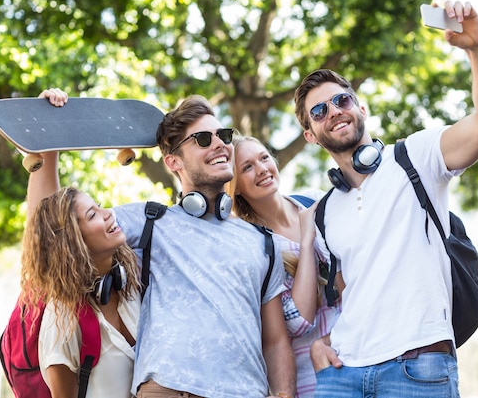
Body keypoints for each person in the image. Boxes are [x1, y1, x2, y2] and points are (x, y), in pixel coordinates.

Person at [293, 1, 478, 397]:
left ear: (360, 107)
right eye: (319, 111)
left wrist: (477, 50)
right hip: (342, 373)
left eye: (342, 100)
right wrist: (322, 343)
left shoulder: (416, 156)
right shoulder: (324, 211)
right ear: (311, 134)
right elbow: (343, 293)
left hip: (419, 368)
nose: (334, 112)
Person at [27, 92, 297, 398]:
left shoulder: (263, 243)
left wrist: (285, 395)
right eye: (203, 139)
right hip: (167, 391)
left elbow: (275, 341)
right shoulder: (151, 220)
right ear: (173, 161)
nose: (220, 143)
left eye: (222, 135)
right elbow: (54, 231)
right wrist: (45, 141)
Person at [18, 87, 142, 398]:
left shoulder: (129, 286)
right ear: (73, 241)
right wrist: (46, 140)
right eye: (93, 214)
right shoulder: (63, 323)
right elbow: (42, 229)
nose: (108, 213)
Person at [227, 135, 342, 398]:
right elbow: (299, 322)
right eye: (247, 167)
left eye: (264, 158)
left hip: (359, 356)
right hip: (312, 380)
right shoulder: (252, 245)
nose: (262, 169)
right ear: (236, 187)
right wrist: (306, 239)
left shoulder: (312, 201)